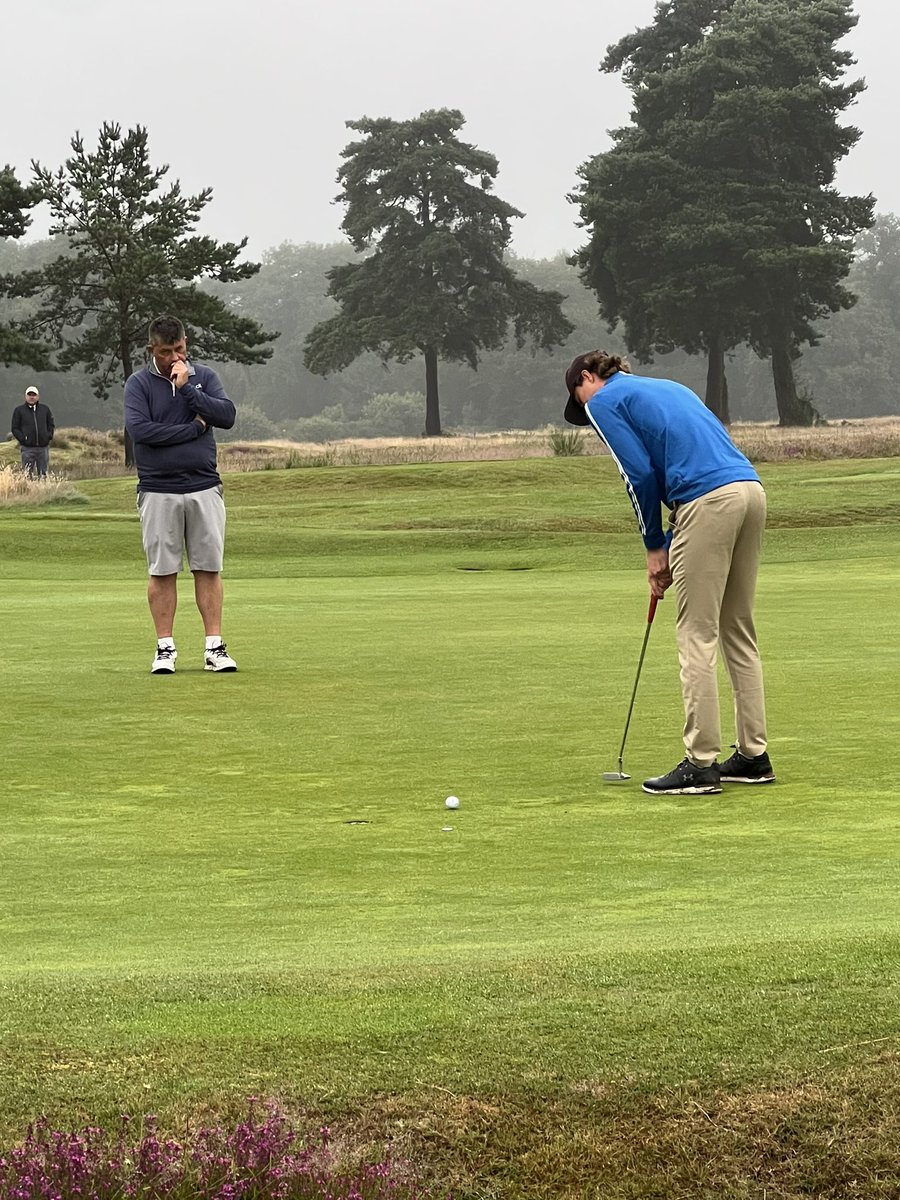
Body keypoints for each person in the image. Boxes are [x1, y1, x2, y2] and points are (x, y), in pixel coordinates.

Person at [564, 350, 775, 796]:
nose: (586, 414)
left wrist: (654, 546)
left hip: (708, 499)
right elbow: (682, 454)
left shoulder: (603, 401)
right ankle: (754, 757)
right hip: (750, 490)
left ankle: (700, 763)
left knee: (696, 633)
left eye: (579, 399)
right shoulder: (669, 387)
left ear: (587, 378)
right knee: (737, 628)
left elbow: (637, 475)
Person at [124, 315, 238, 675]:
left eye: (179, 350)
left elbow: (227, 415)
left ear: (186, 344)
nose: (174, 358)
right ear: (151, 349)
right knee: (163, 571)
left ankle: (214, 648)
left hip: (204, 485)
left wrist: (190, 390)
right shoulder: (139, 384)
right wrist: (193, 428)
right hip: (158, 489)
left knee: (208, 567)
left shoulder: (204, 377)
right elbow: (142, 432)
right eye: (165, 352)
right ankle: (165, 649)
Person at [11, 385, 54, 477]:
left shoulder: (45, 409)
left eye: (33, 395)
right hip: (27, 449)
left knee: (43, 475)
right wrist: (23, 439)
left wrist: (48, 436)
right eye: (29, 395)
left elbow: (51, 424)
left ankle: (43, 491)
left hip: (43, 448)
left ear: (37, 396)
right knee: (27, 475)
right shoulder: (19, 410)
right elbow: (15, 428)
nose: (31, 397)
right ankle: (29, 491)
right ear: (25, 396)